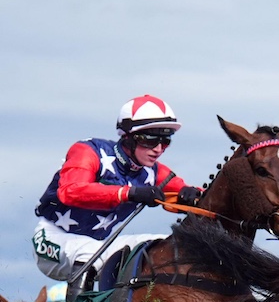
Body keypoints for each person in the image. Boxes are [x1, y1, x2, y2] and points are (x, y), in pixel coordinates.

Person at [31, 95, 200, 285]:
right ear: (128, 138)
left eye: (165, 140)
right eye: (150, 140)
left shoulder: (155, 172)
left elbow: (194, 192)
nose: (159, 149)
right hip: (53, 240)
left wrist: (194, 195)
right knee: (88, 255)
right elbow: (70, 191)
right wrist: (128, 193)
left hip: (102, 244)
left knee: (165, 246)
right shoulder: (88, 152)